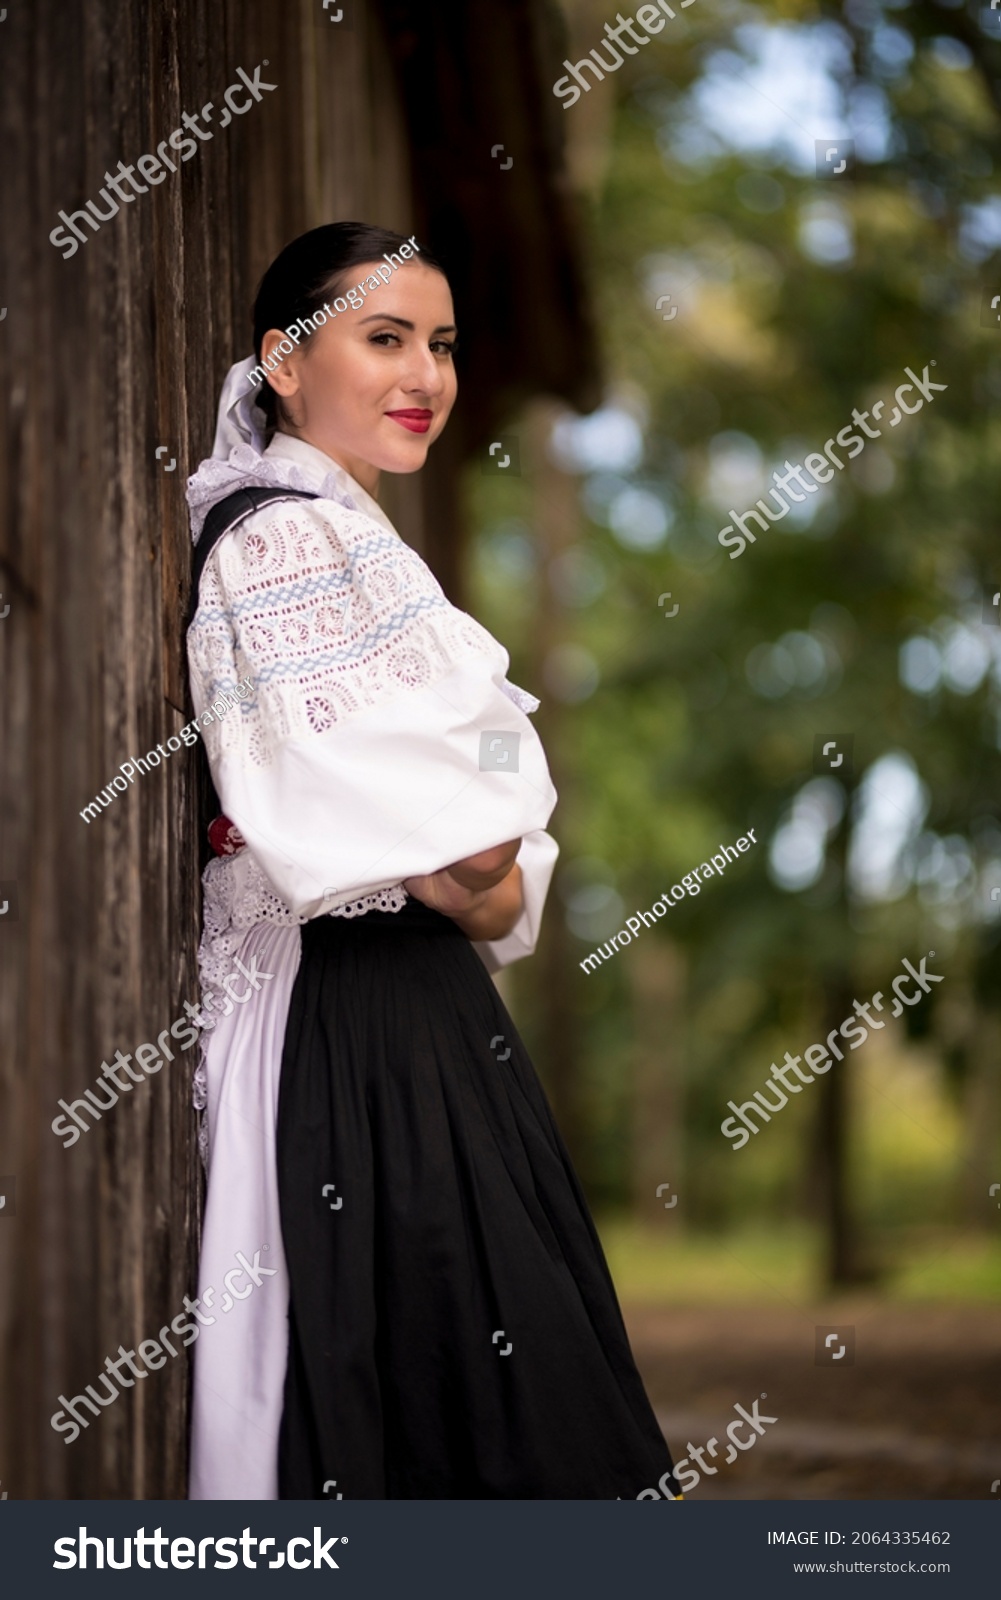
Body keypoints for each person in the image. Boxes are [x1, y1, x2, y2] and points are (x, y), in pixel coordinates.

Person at [184, 221, 678, 1500]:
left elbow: (489, 877)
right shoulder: (279, 542)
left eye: (442, 346)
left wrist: (459, 843)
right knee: (454, 1412)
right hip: (351, 1033)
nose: (426, 377)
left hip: (426, 1017)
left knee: (515, 1400)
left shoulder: (371, 554)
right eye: (385, 338)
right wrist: (459, 842)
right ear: (282, 365)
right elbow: (471, 851)